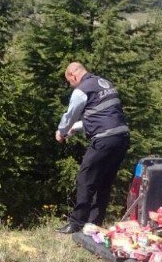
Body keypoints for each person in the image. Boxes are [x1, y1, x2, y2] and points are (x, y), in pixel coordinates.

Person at [55, 62, 130, 234]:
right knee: (104, 181)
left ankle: (76, 223)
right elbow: (102, 114)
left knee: (85, 178)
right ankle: (93, 224)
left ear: (73, 75)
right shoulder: (104, 83)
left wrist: (62, 131)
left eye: (69, 81)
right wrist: (75, 128)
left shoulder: (82, 89)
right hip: (121, 138)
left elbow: (71, 113)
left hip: (104, 138)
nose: (71, 85)